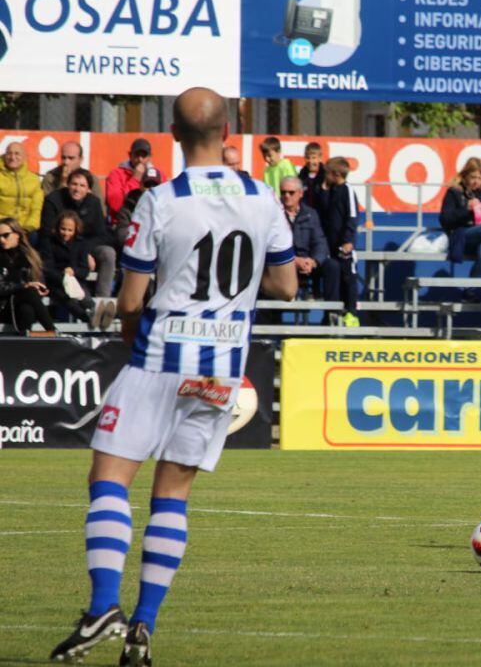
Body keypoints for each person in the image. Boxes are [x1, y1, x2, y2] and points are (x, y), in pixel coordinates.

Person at [49, 87, 298, 666]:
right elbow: (286, 286)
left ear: (175, 137)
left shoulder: (160, 200)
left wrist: (136, 326)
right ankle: (143, 626)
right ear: (230, 134)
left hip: (161, 356)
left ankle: (104, 606)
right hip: (222, 367)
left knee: (109, 476)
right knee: (173, 496)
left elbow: (132, 300)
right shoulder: (264, 198)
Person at [41, 168, 116, 298]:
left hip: (87, 246)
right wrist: (81, 252)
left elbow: (102, 234)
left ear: (88, 189)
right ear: (67, 184)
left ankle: (102, 300)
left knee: (108, 253)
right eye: (74, 184)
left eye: (82, 186)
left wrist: (85, 251)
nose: (77, 189)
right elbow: (47, 233)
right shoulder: (53, 200)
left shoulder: (94, 203)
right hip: (59, 248)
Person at [440, 158, 481, 302]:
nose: (476, 181)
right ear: (465, 176)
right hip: (462, 236)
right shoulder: (454, 192)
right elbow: (445, 221)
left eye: (480, 178)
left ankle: (469, 291)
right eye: (473, 177)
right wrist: (466, 210)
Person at [38, 211, 114, 328]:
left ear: (75, 230)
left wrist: (73, 271)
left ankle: (98, 315)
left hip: (76, 281)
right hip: (57, 284)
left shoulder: (80, 244)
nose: (66, 233)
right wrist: (63, 277)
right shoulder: (49, 243)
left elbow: (84, 269)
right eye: (63, 229)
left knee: (84, 296)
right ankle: (92, 318)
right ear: (58, 228)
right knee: (70, 300)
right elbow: (47, 268)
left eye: (70, 230)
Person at [319, 156, 361, 326]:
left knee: (348, 277)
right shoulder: (331, 191)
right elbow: (324, 210)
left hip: (344, 245)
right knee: (333, 277)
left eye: (327, 173)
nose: (325, 176)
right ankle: (332, 314)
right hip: (330, 244)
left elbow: (352, 216)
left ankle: (351, 312)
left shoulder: (347, 190)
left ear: (335, 174)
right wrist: (324, 189)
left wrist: (348, 240)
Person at [0, 217, 56, 335]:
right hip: (3, 306)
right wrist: (24, 286)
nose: (1, 239)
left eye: (5, 235)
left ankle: (24, 343)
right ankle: (52, 331)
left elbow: (39, 279)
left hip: (23, 305)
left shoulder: (29, 256)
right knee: (29, 291)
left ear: (17, 235)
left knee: (27, 310)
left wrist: (41, 288)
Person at [280, 176, 329, 296]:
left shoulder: (311, 214)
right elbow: (270, 245)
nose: (287, 196)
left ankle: (332, 313)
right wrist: (294, 260)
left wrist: (313, 261)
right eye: (283, 192)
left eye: (291, 192)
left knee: (332, 267)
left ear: (300, 193)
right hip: (283, 263)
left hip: (307, 262)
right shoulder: (274, 214)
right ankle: (272, 313)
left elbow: (320, 242)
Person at [105, 138, 165, 227]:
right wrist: (135, 180)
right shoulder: (116, 174)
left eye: (144, 156)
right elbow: (115, 205)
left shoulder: (158, 175)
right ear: (130, 155)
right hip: (123, 223)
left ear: (150, 157)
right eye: (137, 155)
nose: (140, 159)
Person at [0, 142, 44, 242]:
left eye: (17, 153)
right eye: (9, 153)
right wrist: (7, 226)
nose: (12, 157)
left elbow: (36, 208)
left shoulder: (34, 179)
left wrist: (28, 227)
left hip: (26, 227)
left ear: (24, 157)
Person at [299, 141, 326, 205]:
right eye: (308, 158)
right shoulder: (301, 176)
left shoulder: (325, 176)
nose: (310, 161)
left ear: (320, 158)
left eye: (314, 158)